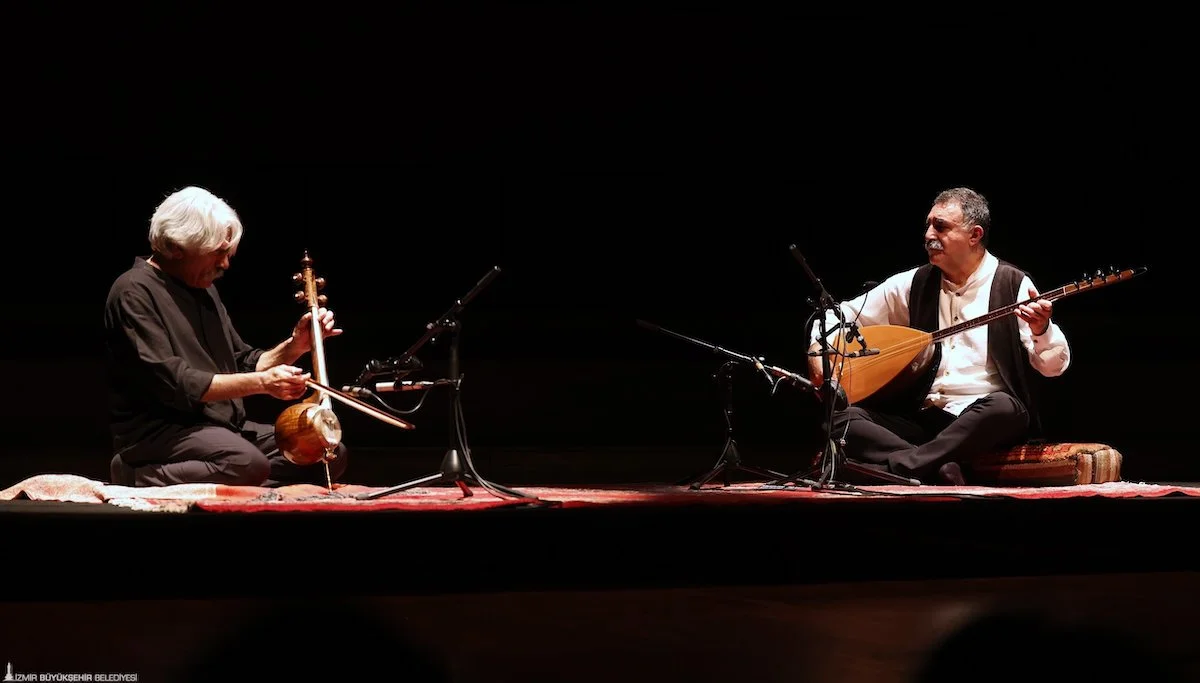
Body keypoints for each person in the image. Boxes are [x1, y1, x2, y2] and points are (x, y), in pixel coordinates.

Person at [807, 187, 1070, 485]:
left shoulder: (1012, 284)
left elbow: (1053, 367)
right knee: (840, 419)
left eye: (941, 227)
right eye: (928, 225)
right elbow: (839, 315)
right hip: (924, 418)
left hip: (979, 419)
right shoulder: (914, 283)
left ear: (974, 235)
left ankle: (901, 468)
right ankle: (936, 467)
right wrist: (819, 350)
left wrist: (1041, 329)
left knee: (1006, 408)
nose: (929, 235)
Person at [103, 185, 350, 487]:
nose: (225, 264)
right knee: (244, 463)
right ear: (176, 246)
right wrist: (262, 384)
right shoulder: (133, 291)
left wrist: (295, 345)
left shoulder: (203, 288)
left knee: (326, 452)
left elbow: (241, 361)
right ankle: (135, 475)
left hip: (222, 430)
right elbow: (176, 383)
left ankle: (236, 484)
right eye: (218, 252)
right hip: (161, 432)